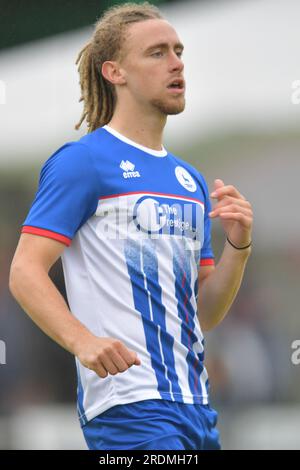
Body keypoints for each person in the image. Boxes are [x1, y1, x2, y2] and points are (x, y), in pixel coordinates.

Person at [9, 2, 253, 450]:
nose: (177, 62)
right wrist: (82, 342)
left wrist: (238, 248)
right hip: (128, 403)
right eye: (157, 53)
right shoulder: (83, 162)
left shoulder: (190, 180)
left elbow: (203, 315)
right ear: (114, 72)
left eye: (178, 51)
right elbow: (25, 271)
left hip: (196, 404)